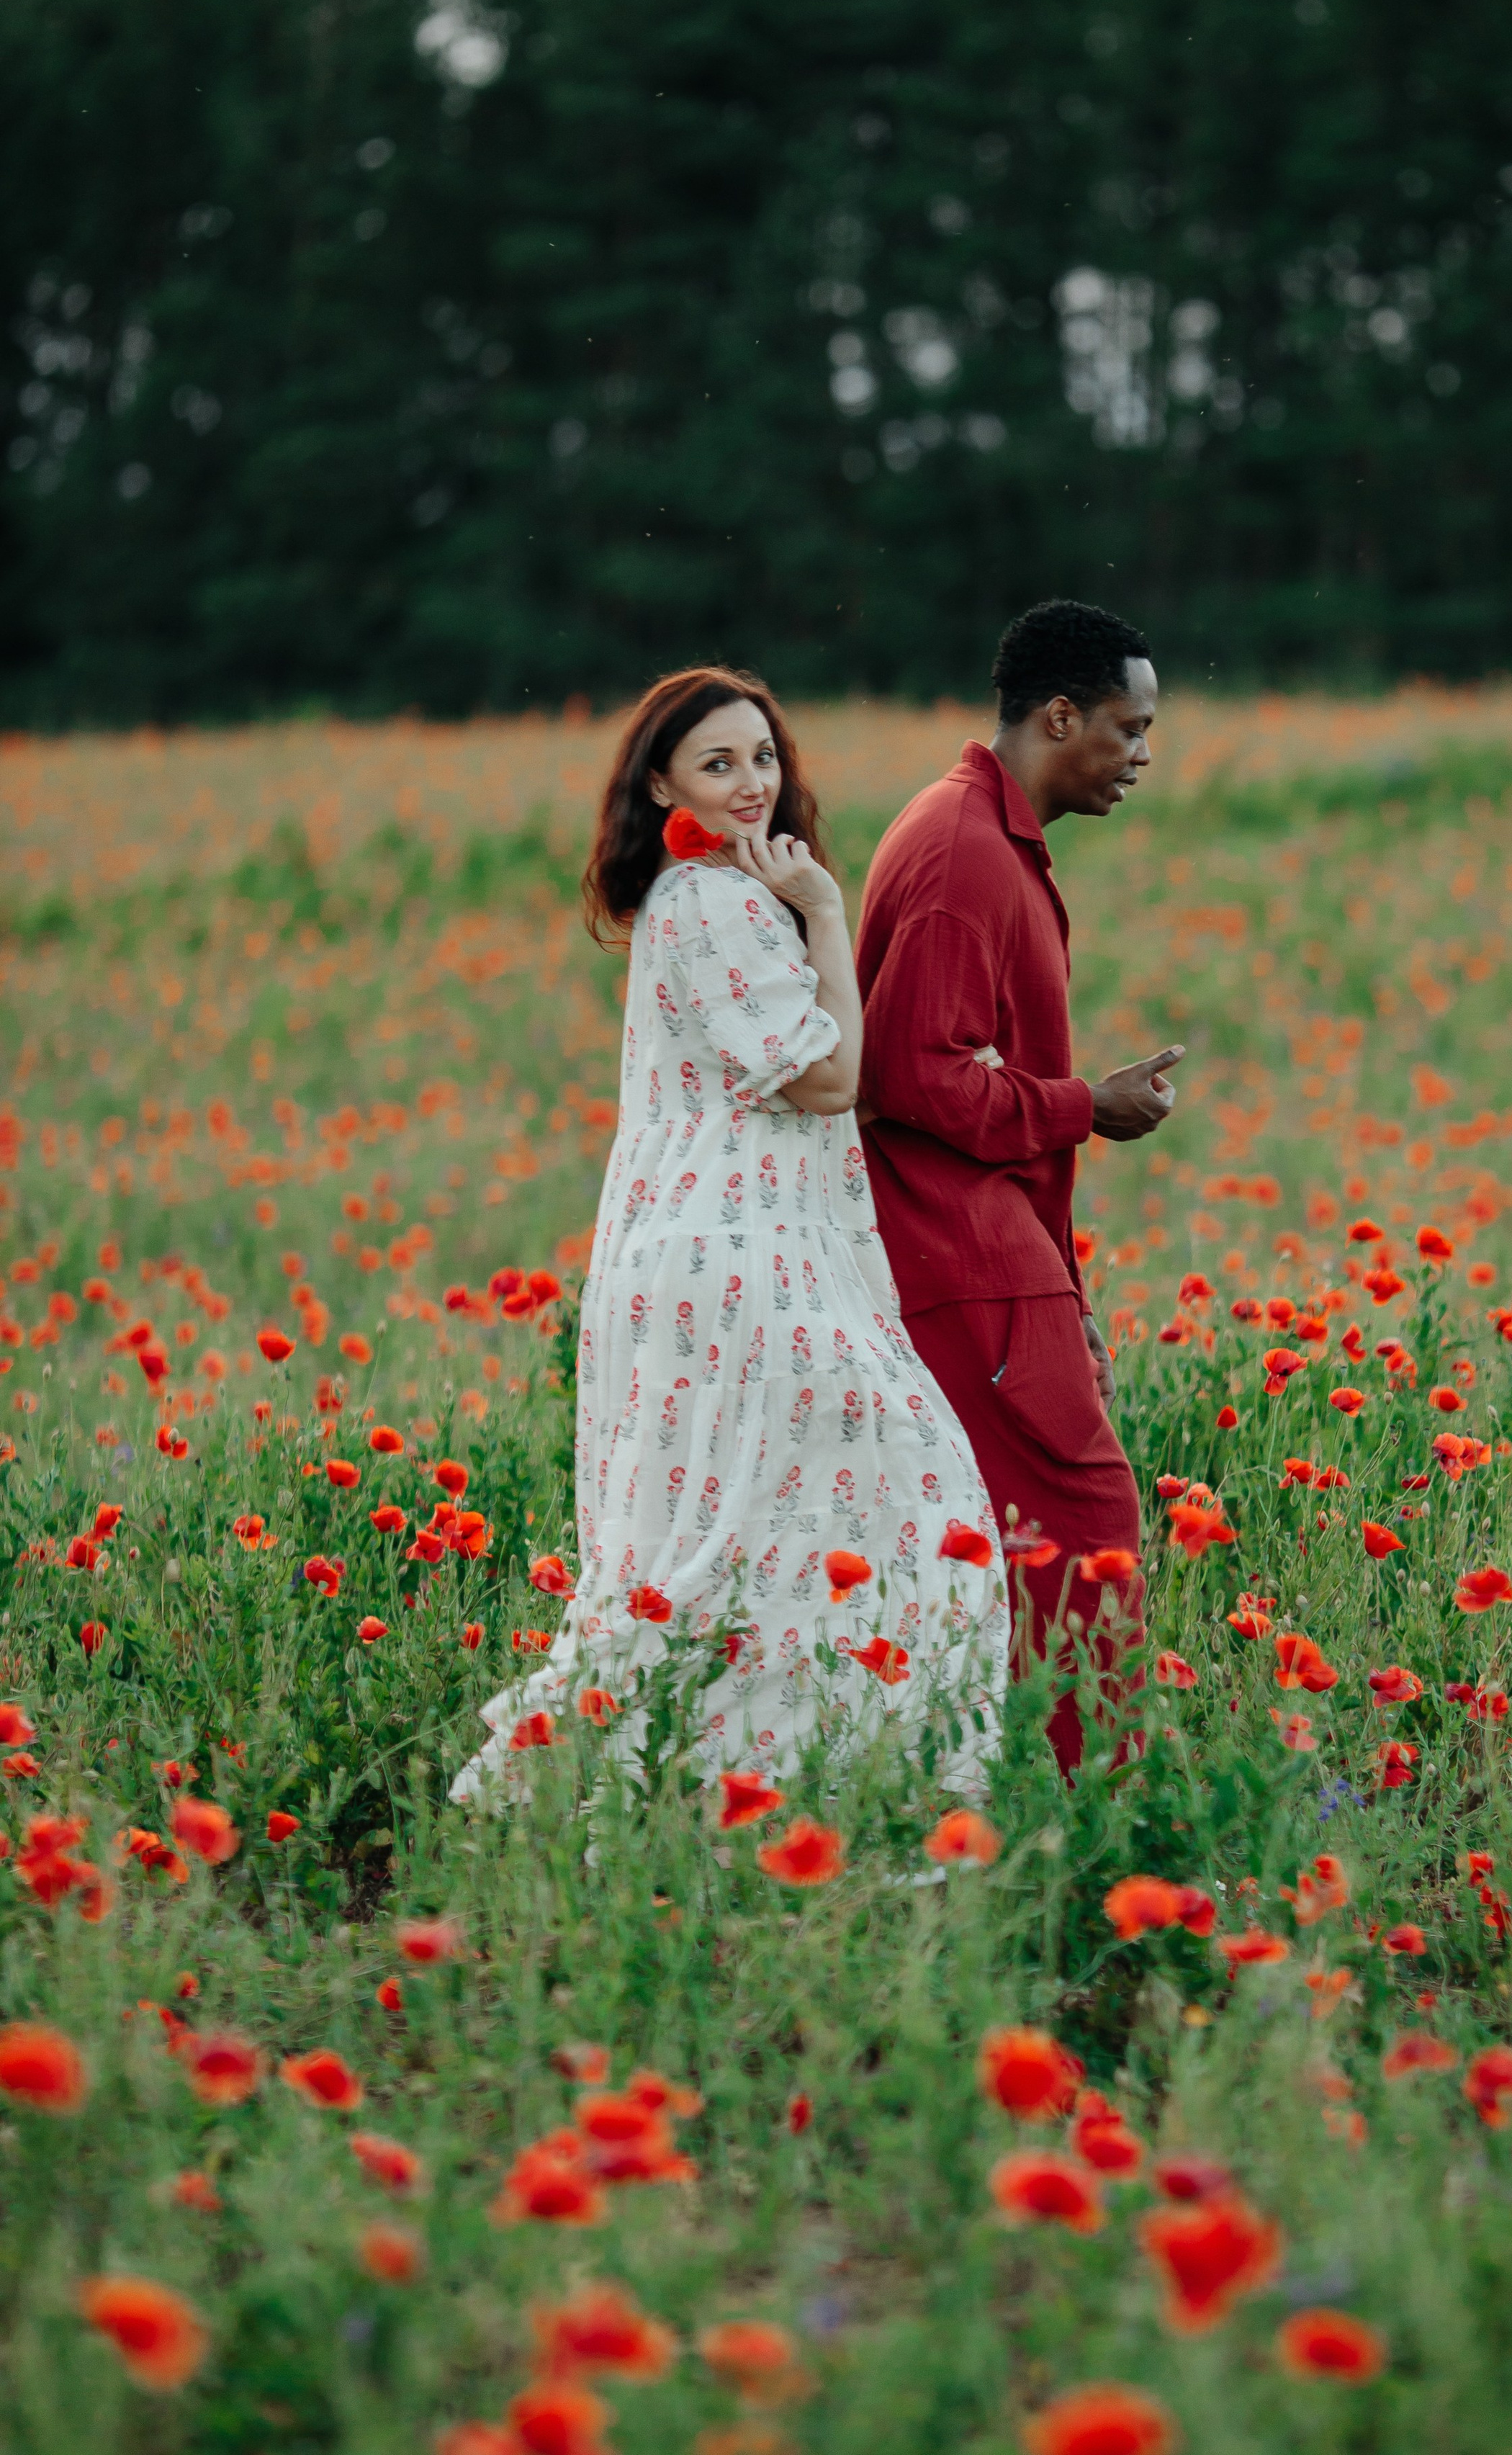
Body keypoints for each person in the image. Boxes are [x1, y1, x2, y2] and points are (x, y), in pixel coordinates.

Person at [453, 665, 1006, 1800]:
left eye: (764, 757)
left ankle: (732, 1788)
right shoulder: (715, 903)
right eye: (719, 763)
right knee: (898, 1497)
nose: (752, 783)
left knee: (746, 1536)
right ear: (662, 781)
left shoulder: (708, 896)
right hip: (740, 1255)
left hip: (725, 1251)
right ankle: (809, 1788)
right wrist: (827, 911)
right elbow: (831, 1079)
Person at [855, 598, 1180, 1773]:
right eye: (1128, 729)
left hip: (993, 1254)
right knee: (1081, 1527)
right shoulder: (961, 854)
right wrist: (1085, 1104)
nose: (1142, 757)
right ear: (1060, 716)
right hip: (960, 1254)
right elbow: (907, 1076)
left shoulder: (981, 838)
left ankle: (1014, 1794)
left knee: (1017, 1538)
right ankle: (1098, 1810)